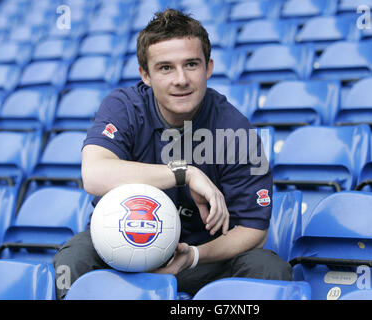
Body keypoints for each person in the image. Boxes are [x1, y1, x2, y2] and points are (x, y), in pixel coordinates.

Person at [53, 8, 292, 299]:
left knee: (268, 268)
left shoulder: (235, 129)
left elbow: (254, 230)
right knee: (73, 259)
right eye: (166, 68)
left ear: (209, 67)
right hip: (121, 249)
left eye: (191, 64)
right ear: (146, 75)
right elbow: (94, 175)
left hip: (200, 259)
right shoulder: (124, 107)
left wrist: (192, 256)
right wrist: (185, 173)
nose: (181, 79)